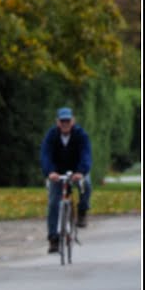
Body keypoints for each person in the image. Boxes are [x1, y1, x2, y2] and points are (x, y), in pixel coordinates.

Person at [40, 106, 92, 253]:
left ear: (73, 121)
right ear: (57, 122)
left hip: (77, 171)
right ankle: (53, 240)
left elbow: (86, 154)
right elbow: (45, 155)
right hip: (57, 173)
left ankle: (82, 211)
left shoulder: (81, 135)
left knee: (86, 184)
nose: (65, 124)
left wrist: (81, 172)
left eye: (67, 121)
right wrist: (50, 172)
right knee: (53, 203)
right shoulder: (51, 136)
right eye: (62, 121)